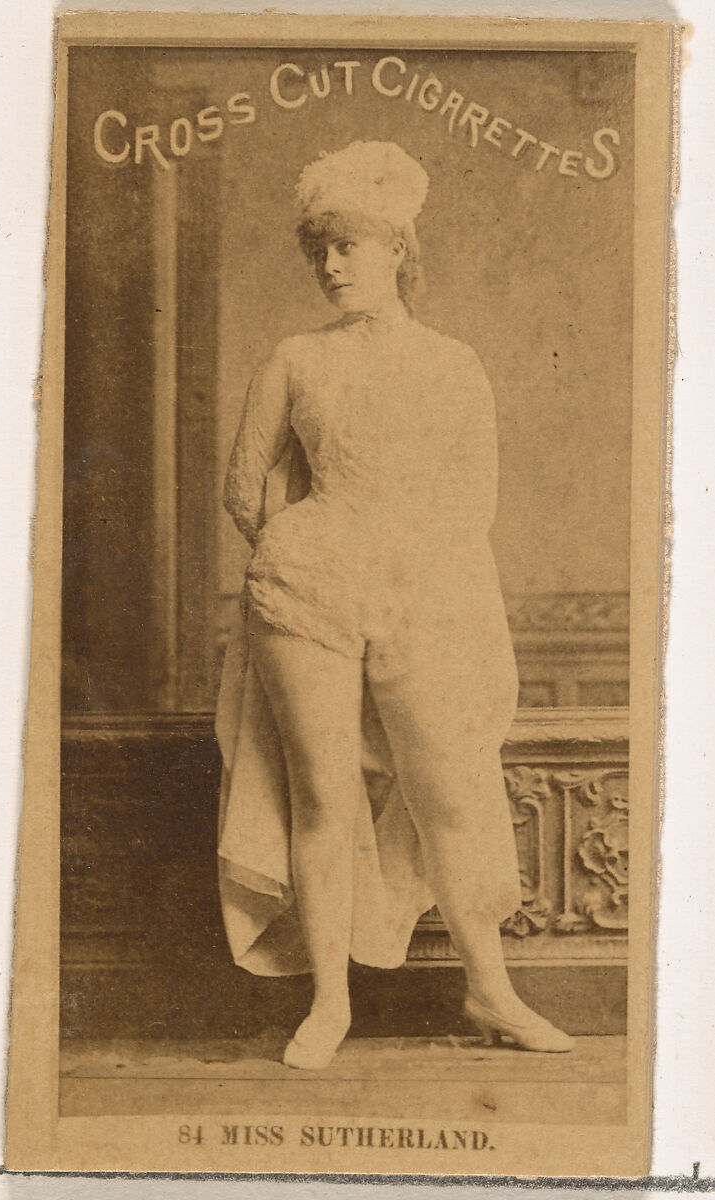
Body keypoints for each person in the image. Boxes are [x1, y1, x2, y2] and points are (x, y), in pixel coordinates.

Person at [217, 140, 573, 1070]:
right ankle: (328, 1003)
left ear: (398, 249)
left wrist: (404, 567)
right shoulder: (293, 358)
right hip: (305, 595)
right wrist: (306, 552)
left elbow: (474, 501)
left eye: (348, 246)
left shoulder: (453, 364)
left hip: (423, 590)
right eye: (318, 251)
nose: (330, 266)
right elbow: (242, 487)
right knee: (322, 797)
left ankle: (489, 991)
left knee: (447, 791)